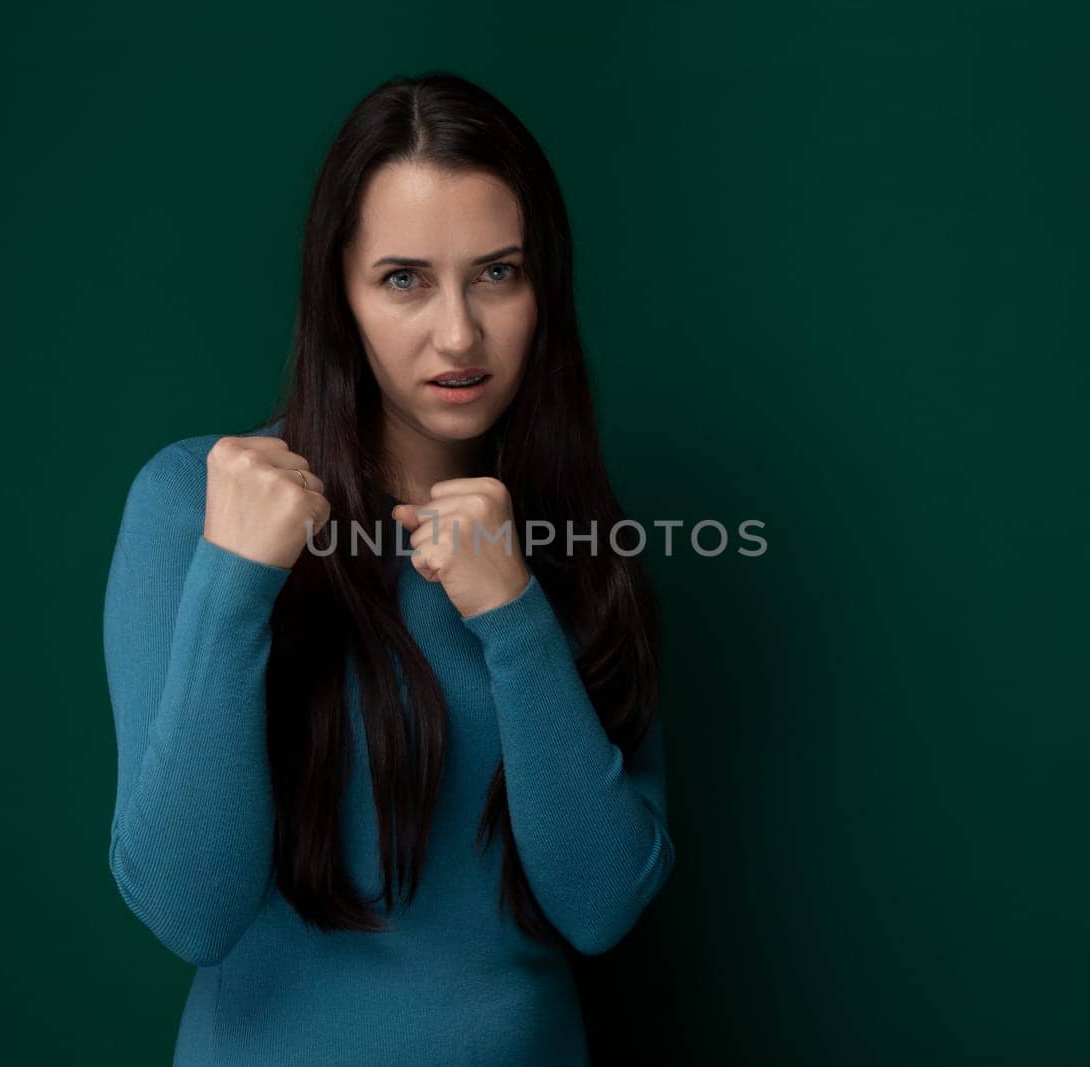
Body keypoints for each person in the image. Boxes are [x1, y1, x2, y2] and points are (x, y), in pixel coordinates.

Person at [102, 70, 674, 1065]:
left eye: (498, 272)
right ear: (341, 292)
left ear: (546, 287)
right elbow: (189, 909)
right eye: (404, 277)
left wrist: (515, 614)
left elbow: (602, 906)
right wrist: (235, 582)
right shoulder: (194, 501)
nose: (458, 333)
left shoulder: (583, 547)